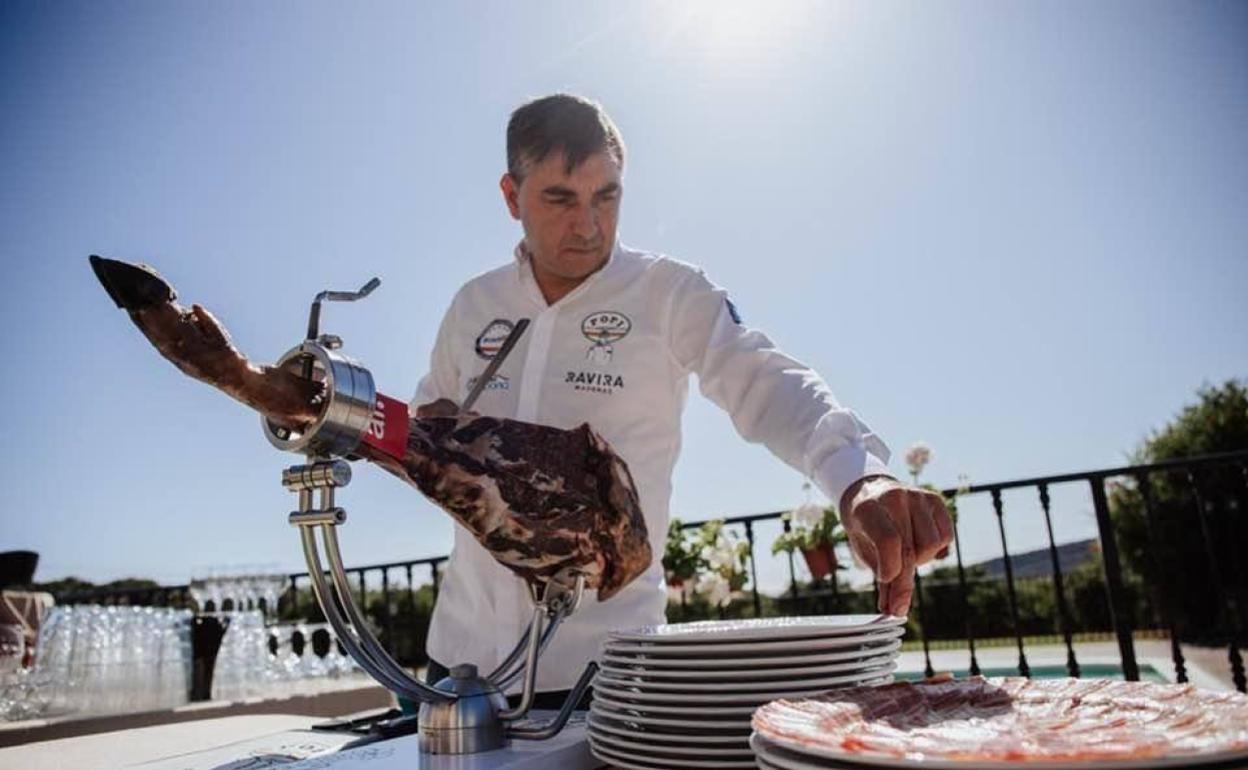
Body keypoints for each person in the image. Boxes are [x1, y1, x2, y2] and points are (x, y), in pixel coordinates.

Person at [411, 94, 953, 700]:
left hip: (608, 671)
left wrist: (859, 477)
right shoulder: (472, 307)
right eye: (560, 198)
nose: (588, 225)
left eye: (606, 196)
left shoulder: (667, 293)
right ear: (512, 196)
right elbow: (426, 423)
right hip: (459, 666)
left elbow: (766, 379)